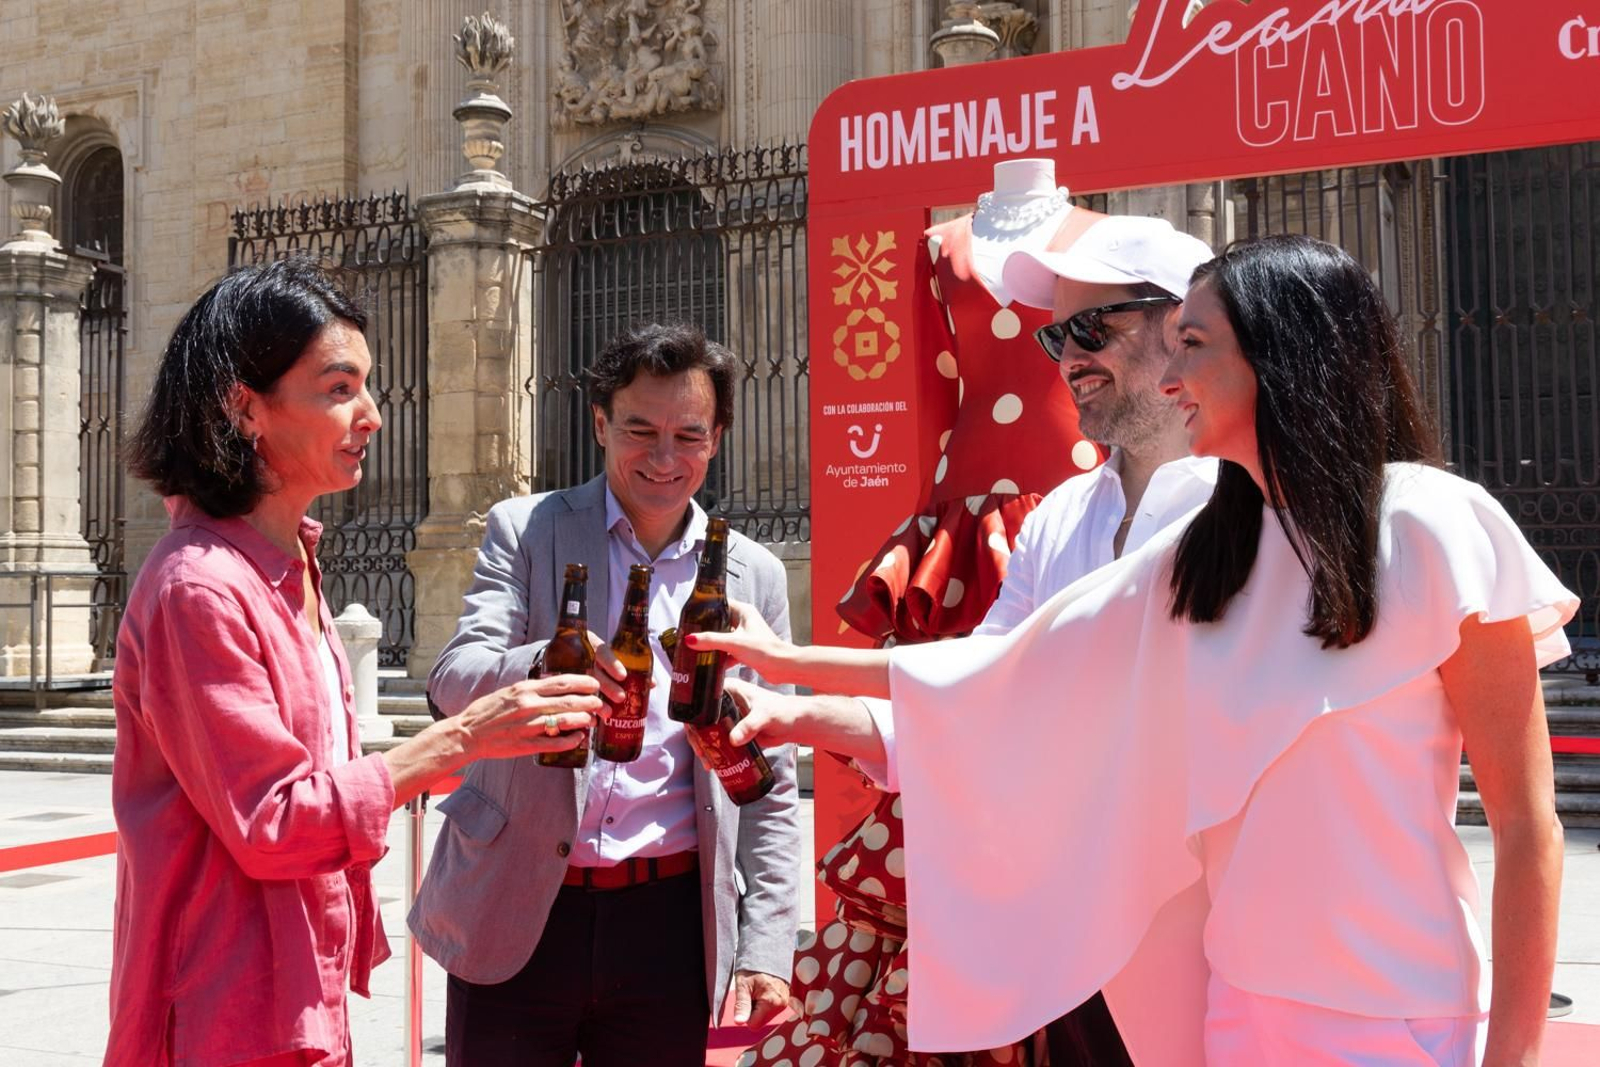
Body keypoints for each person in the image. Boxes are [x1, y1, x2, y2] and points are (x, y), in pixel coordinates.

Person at [697, 235, 1572, 1065]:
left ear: (1281, 351)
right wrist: (783, 667)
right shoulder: (1206, 556)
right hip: (1235, 1012)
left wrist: (1518, 1052)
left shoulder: (1432, 523)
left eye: (1193, 344)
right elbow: (1001, 673)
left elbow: (1528, 823)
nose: (1176, 376)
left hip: (1399, 1016)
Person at [107, 258, 601, 1067]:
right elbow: (272, 820)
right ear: (245, 407)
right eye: (338, 388)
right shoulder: (197, 586)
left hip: (299, 989)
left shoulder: (292, 557)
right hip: (220, 1009)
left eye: (367, 386)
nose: (371, 414)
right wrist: (459, 738)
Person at [750, 213, 1216, 1067]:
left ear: (1183, 329)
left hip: (1218, 949)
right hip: (1075, 950)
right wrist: (788, 710)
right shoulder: (1063, 519)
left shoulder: (1251, 505)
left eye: (1092, 328)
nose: (1069, 357)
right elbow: (974, 688)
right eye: (1054, 337)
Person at [409, 322, 802, 1067]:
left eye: (689, 434)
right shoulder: (527, 532)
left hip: (669, 924)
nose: (664, 457)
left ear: (716, 437)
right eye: (640, 429)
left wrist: (768, 945)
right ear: (599, 423)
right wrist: (544, 665)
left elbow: (769, 780)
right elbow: (454, 678)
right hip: (520, 902)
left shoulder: (752, 575)